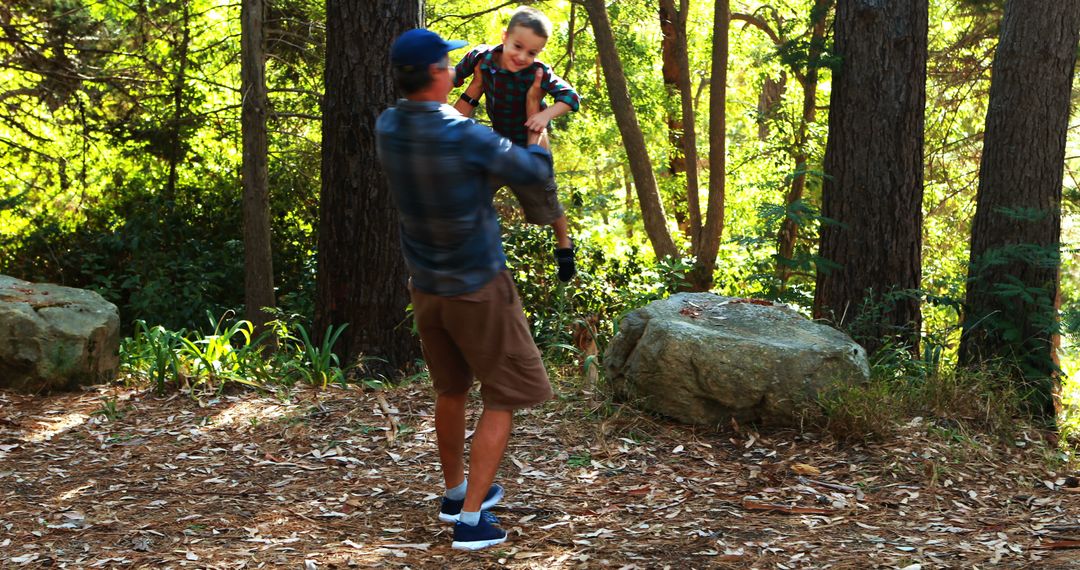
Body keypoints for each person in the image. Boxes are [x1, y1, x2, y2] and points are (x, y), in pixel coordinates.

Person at [375, 28, 557, 551]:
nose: (456, 70)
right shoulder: (464, 135)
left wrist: (473, 96)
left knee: (451, 388)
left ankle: (456, 492)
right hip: (478, 286)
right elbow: (531, 171)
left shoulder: (389, 126)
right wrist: (535, 124)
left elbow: (450, 126)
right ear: (436, 74)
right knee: (503, 394)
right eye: (448, 66)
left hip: (426, 286)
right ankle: (472, 522)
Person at [452, 6, 580, 282]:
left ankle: (565, 245)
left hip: (529, 148)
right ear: (504, 36)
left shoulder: (538, 72)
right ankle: (470, 247)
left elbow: (571, 97)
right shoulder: (482, 58)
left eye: (532, 52)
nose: (522, 57)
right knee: (472, 191)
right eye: (517, 47)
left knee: (548, 201)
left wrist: (545, 114)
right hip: (499, 146)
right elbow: (454, 76)